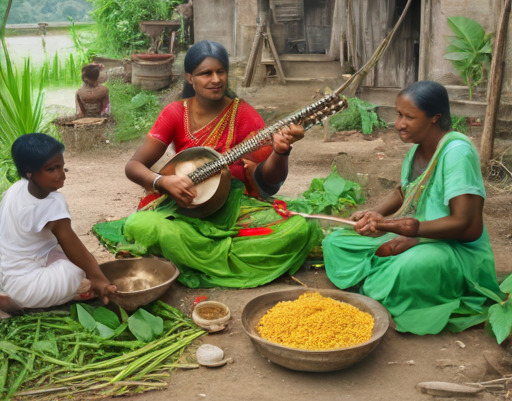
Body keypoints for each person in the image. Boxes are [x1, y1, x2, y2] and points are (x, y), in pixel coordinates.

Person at [111, 40, 321, 289]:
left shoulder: (242, 114)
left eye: (220, 71)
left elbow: (268, 185)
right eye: (205, 73)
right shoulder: (175, 114)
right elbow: (134, 166)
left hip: (233, 207)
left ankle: (189, 255)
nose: (215, 79)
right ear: (190, 78)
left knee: (298, 228)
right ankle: (209, 253)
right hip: (183, 208)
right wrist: (162, 181)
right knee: (141, 224)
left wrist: (280, 152)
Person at [323, 80, 500, 335]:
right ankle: (378, 279)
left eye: (408, 117)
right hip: (418, 234)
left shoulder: (457, 153)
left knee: (407, 269)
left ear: (434, 118)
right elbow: (406, 190)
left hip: (455, 249)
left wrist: (410, 231)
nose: (398, 124)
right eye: (398, 114)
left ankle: (378, 277)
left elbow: (467, 227)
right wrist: (378, 213)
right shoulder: (416, 151)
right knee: (336, 242)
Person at [0, 134, 116, 315]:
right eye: (52, 169)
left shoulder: (15, 189)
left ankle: (13, 292)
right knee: (76, 271)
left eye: (63, 167)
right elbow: (72, 243)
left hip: (7, 272)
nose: (61, 175)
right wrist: (98, 278)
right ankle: (19, 301)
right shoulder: (52, 202)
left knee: (70, 256)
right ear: (29, 173)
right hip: (26, 286)